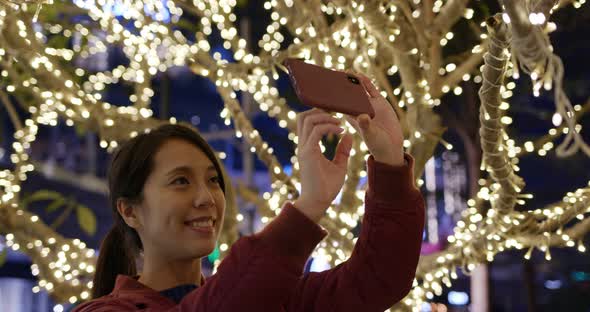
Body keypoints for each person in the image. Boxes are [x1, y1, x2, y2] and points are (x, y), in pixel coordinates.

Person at [72, 73, 425, 312]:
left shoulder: (268, 294)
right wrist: (306, 208)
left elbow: (377, 279)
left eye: (213, 180)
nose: (206, 198)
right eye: (180, 181)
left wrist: (390, 159)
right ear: (129, 211)